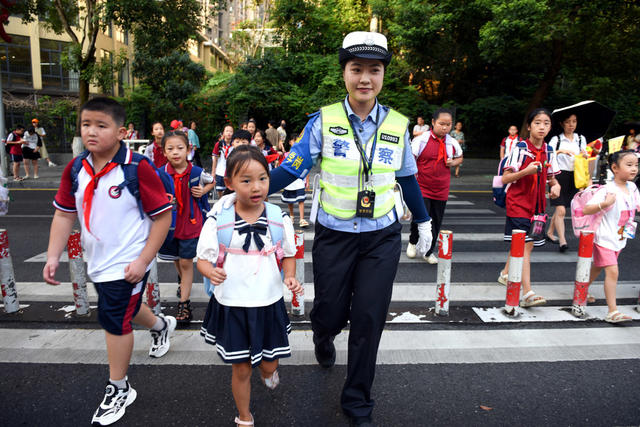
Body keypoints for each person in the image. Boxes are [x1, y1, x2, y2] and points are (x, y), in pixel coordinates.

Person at [258, 31, 433, 426]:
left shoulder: (398, 125)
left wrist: (423, 221)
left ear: (383, 76)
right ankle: (324, 334)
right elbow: (294, 166)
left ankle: (357, 402)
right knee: (331, 311)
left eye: (374, 70)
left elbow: (406, 178)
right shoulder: (325, 121)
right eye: (357, 69)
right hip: (334, 234)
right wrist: (251, 187)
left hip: (381, 236)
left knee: (370, 317)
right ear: (345, 74)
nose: (365, 78)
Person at [43, 97, 176, 426]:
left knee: (114, 319)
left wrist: (143, 260)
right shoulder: (76, 169)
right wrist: (52, 255)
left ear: (121, 131)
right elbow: (64, 214)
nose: (92, 131)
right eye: (86, 124)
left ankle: (119, 387)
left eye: (101, 125)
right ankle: (161, 326)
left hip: (129, 264)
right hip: (98, 263)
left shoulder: (135, 167)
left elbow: (162, 218)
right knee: (122, 308)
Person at [196, 145, 302, 427]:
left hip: (268, 302)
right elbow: (202, 260)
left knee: (270, 363)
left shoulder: (278, 218)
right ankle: (244, 417)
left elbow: (288, 252)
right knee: (240, 368)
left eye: (263, 179)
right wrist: (211, 272)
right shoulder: (219, 219)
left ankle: (269, 372)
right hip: (232, 305)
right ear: (228, 183)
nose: (256, 187)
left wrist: (289, 276)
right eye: (246, 180)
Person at [498, 108, 561, 304]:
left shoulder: (549, 150)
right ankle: (527, 293)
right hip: (518, 203)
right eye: (538, 123)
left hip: (538, 206)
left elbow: (551, 177)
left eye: (546, 123)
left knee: (525, 244)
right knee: (525, 246)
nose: (542, 127)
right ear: (529, 126)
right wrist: (525, 171)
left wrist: (556, 185)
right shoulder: (519, 148)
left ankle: (505, 273)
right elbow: (505, 177)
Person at [158, 130, 215, 323]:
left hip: (191, 223)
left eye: (180, 148)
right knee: (177, 259)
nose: (175, 152)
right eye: (170, 149)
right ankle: (183, 282)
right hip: (170, 225)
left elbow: (212, 181)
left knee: (185, 262)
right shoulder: (161, 173)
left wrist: (203, 190)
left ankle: (184, 304)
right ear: (164, 152)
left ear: (188, 150)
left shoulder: (197, 172)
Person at [582, 150, 639, 323]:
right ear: (615, 168)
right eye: (629, 165)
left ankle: (581, 290)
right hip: (604, 238)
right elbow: (586, 209)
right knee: (612, 271)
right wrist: (604, 203)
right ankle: (613, 311)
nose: (634, 169)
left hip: (620, 238)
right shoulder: (607, 189)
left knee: (598, 267)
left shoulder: (633, 187)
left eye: (636, 165)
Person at [406, 108, 463, 263]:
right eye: (441, 124)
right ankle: (412, 242)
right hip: (422, 187)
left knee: (436, 220)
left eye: (448, 124)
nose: (444, 127)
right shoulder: (421, 140)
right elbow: (410, 160)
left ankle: (428, 251)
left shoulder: (451, 142)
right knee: (421, 217)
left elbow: (460, 157)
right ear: (433, 122)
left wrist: (453, 162)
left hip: (441, 189)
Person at [547, 113, 588, 252]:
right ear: (562, 124)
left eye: (574, 121)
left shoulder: (581, 138)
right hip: (558, 176)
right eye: (568, 122)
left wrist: (585, 155)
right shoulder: (556, 139)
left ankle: (550, 233)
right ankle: (563, 242)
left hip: (575, 176)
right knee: (561, 209)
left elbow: (585, 157)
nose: (571, 125)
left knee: (562, 208)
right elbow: (548, 153)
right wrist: (559, 151)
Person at [281, 135, 309, 228]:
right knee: (290, 199)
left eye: (297, 141)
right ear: (290, 142)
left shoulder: (302, 154)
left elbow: (306, 167)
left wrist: (307, 181)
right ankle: (291, 216)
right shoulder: (286, 155)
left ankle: (302, 219)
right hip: (289, 179)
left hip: (299, 179)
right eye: (294, 140)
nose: (296, 142)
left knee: (301, 199)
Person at [212, 124, 234, 198]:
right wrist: (213, 172)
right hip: (220, 170)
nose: (229, 133)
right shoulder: (219, 144)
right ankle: (221, 202)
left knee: (230, 190)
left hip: (231, 171)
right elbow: (215, 158)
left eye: (231, 131)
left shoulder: (235, 144)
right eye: (227, 131)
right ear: (223, 133)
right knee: (219, 190)